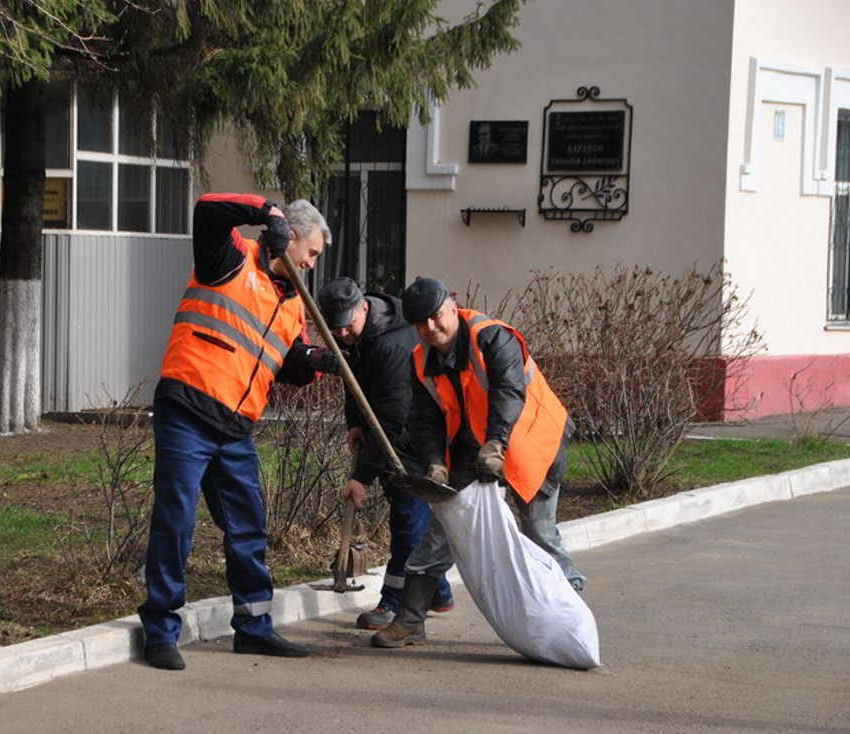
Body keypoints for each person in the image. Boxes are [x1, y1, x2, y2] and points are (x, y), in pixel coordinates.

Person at [138, 192, 333, 671]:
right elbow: (206, 207)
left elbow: (291, 362)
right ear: (290, 236)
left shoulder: (293, 307)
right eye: (310, 253)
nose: (310, 265)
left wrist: (320, 362)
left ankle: (254, 627)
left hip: (235, 428)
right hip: (187, 410)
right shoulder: (228, 257)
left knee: (249, 526)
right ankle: (161, 630)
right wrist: (265, 212)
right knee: (176, 523)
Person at [372, 277, 585, 649]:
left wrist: (496, 444)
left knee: (538, 530)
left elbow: (509, 392)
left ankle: (572, 615)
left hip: (532, 438)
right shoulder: (421, 360)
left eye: (436, 317)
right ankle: (410, 620)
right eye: (421, 323)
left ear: (453, 307)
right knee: (445, 524)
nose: (430, 328)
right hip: (475, 444)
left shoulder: (492, 338)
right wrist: (435, 463)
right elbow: (426, 420)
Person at [315, 277, 454, 630]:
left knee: (408, 524)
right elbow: (352, 379)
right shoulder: (362, 335)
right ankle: (438, 593)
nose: (343, 334)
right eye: (336, 329)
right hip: (396, 438)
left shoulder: (391, 346)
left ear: (364, 308)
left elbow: (388, 421)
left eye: (348, 326)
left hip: (417, 443)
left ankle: (393, 603)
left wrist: (360, 478)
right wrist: (353, 422)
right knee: (412, 521)